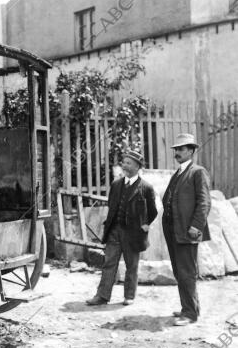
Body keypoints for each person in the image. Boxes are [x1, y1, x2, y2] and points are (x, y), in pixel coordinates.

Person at [86, 149, 158, 306]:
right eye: (124, 162)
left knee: (131, 265)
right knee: (109, 263)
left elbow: (152, 211)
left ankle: (129, 296)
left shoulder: (146, 187)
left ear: (137, 166)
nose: (124, 166)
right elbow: (112, 206)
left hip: (133, 234)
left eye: (128, 163)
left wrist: (145, 225)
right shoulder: (116, 184)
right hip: (114, 231)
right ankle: (102, 296)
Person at [162, 133, 211, 326]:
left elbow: (204, 202)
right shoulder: (179, 173)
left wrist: (195, 227)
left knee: (186, 272)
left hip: (187, 231)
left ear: (191, 150)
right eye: (176, 149)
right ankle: (187, 307)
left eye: (181, 149)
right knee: (179, 271)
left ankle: (190, 314)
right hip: (173, 230)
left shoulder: (198, 172)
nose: (178, 153)